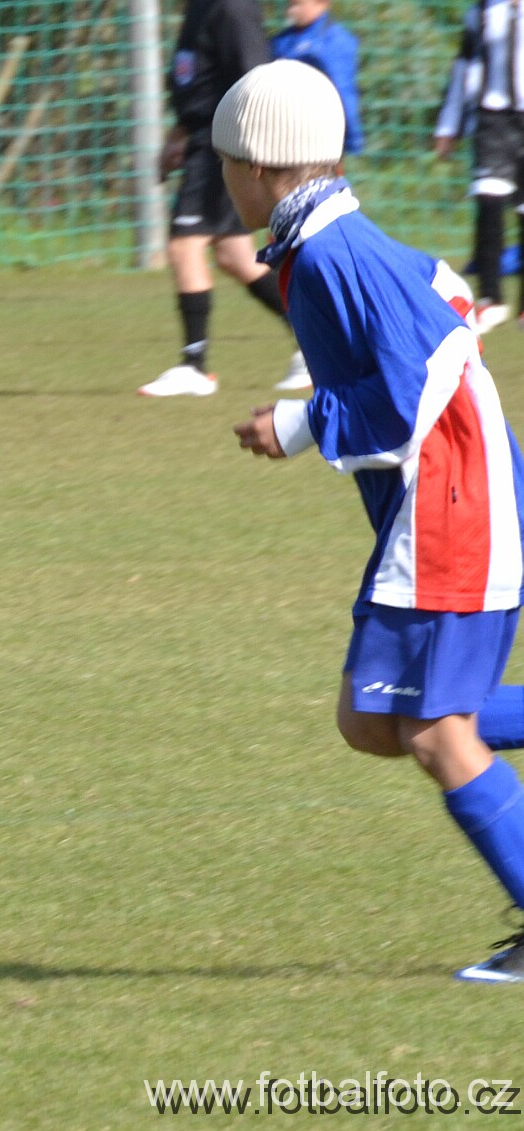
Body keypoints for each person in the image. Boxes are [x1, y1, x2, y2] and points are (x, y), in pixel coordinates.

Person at [222, 61, 524, 984]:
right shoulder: (333, 238)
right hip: (453, 498)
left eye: (226, 163)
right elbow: (449, 294)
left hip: (451, 511)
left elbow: (404, 395)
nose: (223, 180)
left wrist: (297, 424)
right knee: (369, 717)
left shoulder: (328, 255)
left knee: (433, 733)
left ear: (260, 168)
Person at [141, 0, 304, 398]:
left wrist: (253, 153)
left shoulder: (232, 8)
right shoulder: (199, 8)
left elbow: (255, 81)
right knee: (235, 256)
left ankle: (193, 365)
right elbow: (197, 79)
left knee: (184, 246)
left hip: (223, 146)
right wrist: (178, 135)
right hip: (204, 141)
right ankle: (314, 341)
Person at [435, 0, 524, 333]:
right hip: (491, 119)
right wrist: (448, 125)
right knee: (489, 200)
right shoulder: (480, 12)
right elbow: (462, 67)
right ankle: (491, 298)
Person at [271, 0, 361, 158]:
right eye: (289, 5)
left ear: (322, 3)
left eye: (297, 5)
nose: (290, 11)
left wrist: (351, 139)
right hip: (281, 131)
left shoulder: (334, 42)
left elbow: (343, 91)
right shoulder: (281, 41)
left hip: (317, 137)